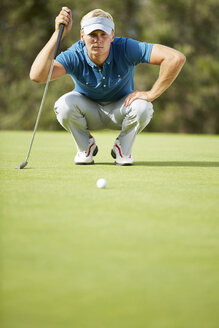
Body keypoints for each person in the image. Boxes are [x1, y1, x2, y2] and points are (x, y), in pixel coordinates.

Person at [30, 7, 186, 166]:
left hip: (121, 110)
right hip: (87, 111)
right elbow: (37, 75)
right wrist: (57, 35)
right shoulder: (75, 54)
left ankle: (123, 149)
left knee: (144, 106)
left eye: (103, 34)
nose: (98, 40)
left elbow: (175, 58)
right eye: (92, 35)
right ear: (82, 36)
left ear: (112, 35)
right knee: (63, 105)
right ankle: (86, 148)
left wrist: (151, 94)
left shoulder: (125, 47)